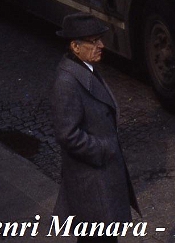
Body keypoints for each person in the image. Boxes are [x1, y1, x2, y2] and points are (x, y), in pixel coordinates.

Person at [51, 13, 139, 240]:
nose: (101, 45)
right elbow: (67, 135)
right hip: (91, 184)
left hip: (98, 182)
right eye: (94, 41)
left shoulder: (85, 69)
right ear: (75, 46)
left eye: (100, 39)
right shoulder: (67, 82)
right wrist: (103, 148)